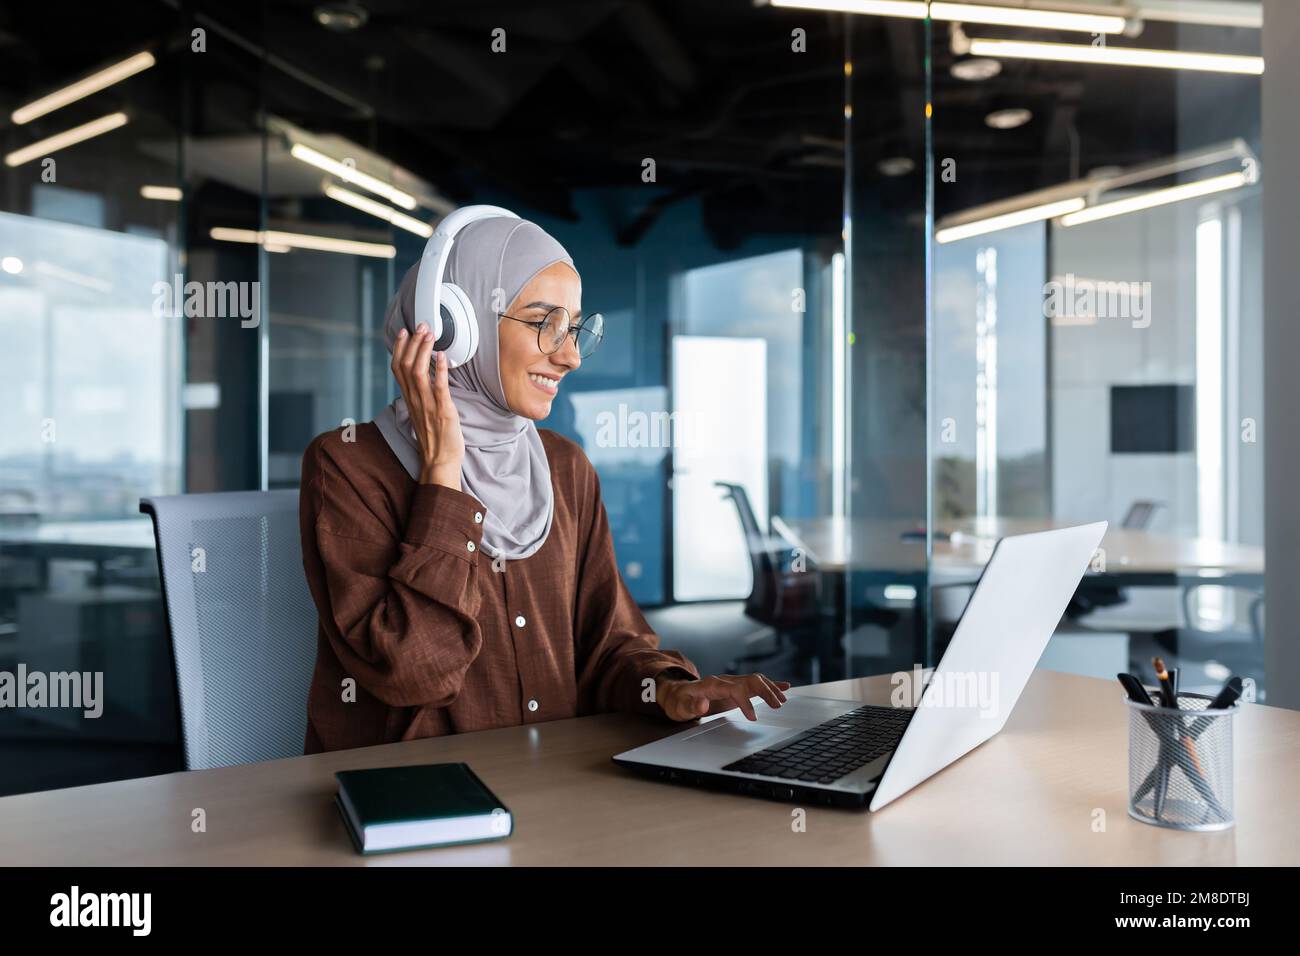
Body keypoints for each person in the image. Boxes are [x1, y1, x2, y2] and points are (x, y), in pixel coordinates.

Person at [299, 211, 788, 753]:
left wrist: (668, 691)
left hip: (553, 787)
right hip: (420, 799)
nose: (571, 355)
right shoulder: (347, 464)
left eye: (575, 326)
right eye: (543, 322)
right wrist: (442, 476)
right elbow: (414, 674)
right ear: (450, 330)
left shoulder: (564, 467)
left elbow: (609, 645)